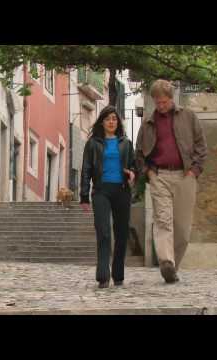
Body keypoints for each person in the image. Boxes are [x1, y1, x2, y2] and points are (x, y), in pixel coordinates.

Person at [135, 80, 207, 284]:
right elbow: (139, 153)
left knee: (183, 229)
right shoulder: (148, 123)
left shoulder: (189, 117)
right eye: (158, 102)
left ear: (172, 99)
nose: (161, 106)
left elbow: (202, 146)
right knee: (163, 220)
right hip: (159, 177)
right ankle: (166, 261)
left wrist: (194, 171)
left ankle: (173, 266)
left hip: (186, 176)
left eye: (164, 102)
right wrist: (148, 173)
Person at [80, 105, 135, 289]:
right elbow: (86, 169)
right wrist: (84, 196)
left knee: (121, 233)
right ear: (102, 122)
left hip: (121, 190)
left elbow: (134, 166)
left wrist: (132, 173)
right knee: (103, 232)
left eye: (114, 119)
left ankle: (118, 275)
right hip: (101, 191)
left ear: (118, 122)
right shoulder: (93, 143)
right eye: (108, 119)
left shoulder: (126, 143)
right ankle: (103, 275)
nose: (111, 122)